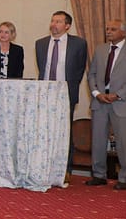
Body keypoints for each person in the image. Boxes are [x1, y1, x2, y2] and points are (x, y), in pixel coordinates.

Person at [85, 20, 126, 190]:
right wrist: (97, 94)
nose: (108, 32)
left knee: (123, 142)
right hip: (100, 102)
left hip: (122, 102)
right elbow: (92, 75)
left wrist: (117, 95)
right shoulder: (101, 50)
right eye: (107, 29)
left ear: (123, 33)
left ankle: (125, 178)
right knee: (97, 140)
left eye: (113, 29)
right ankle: (98, 175)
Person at [35, 10, 88, 177]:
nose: (53, 24)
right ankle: (43, 166)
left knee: (64, 131)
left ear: (67, 26)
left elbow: (79, 70)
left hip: (65, 93)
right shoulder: (41, 43)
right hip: (44, 93)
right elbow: (42, 67)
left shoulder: (79, 44)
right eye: (52, 21)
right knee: (43, 130)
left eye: (58, 21)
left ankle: (65, 169)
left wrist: (69, 88)